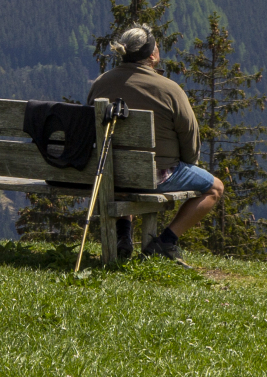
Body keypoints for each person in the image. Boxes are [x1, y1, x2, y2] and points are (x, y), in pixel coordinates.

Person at [86, 24, 222, 263]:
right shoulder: (169, 89)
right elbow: (190, 136)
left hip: (109, 174)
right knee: (215, 188)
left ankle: (123, 236)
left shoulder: (101, 84)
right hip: (157, 177)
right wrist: (187, 163)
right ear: (152, 55)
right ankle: (167, 241)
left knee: (125, 168)